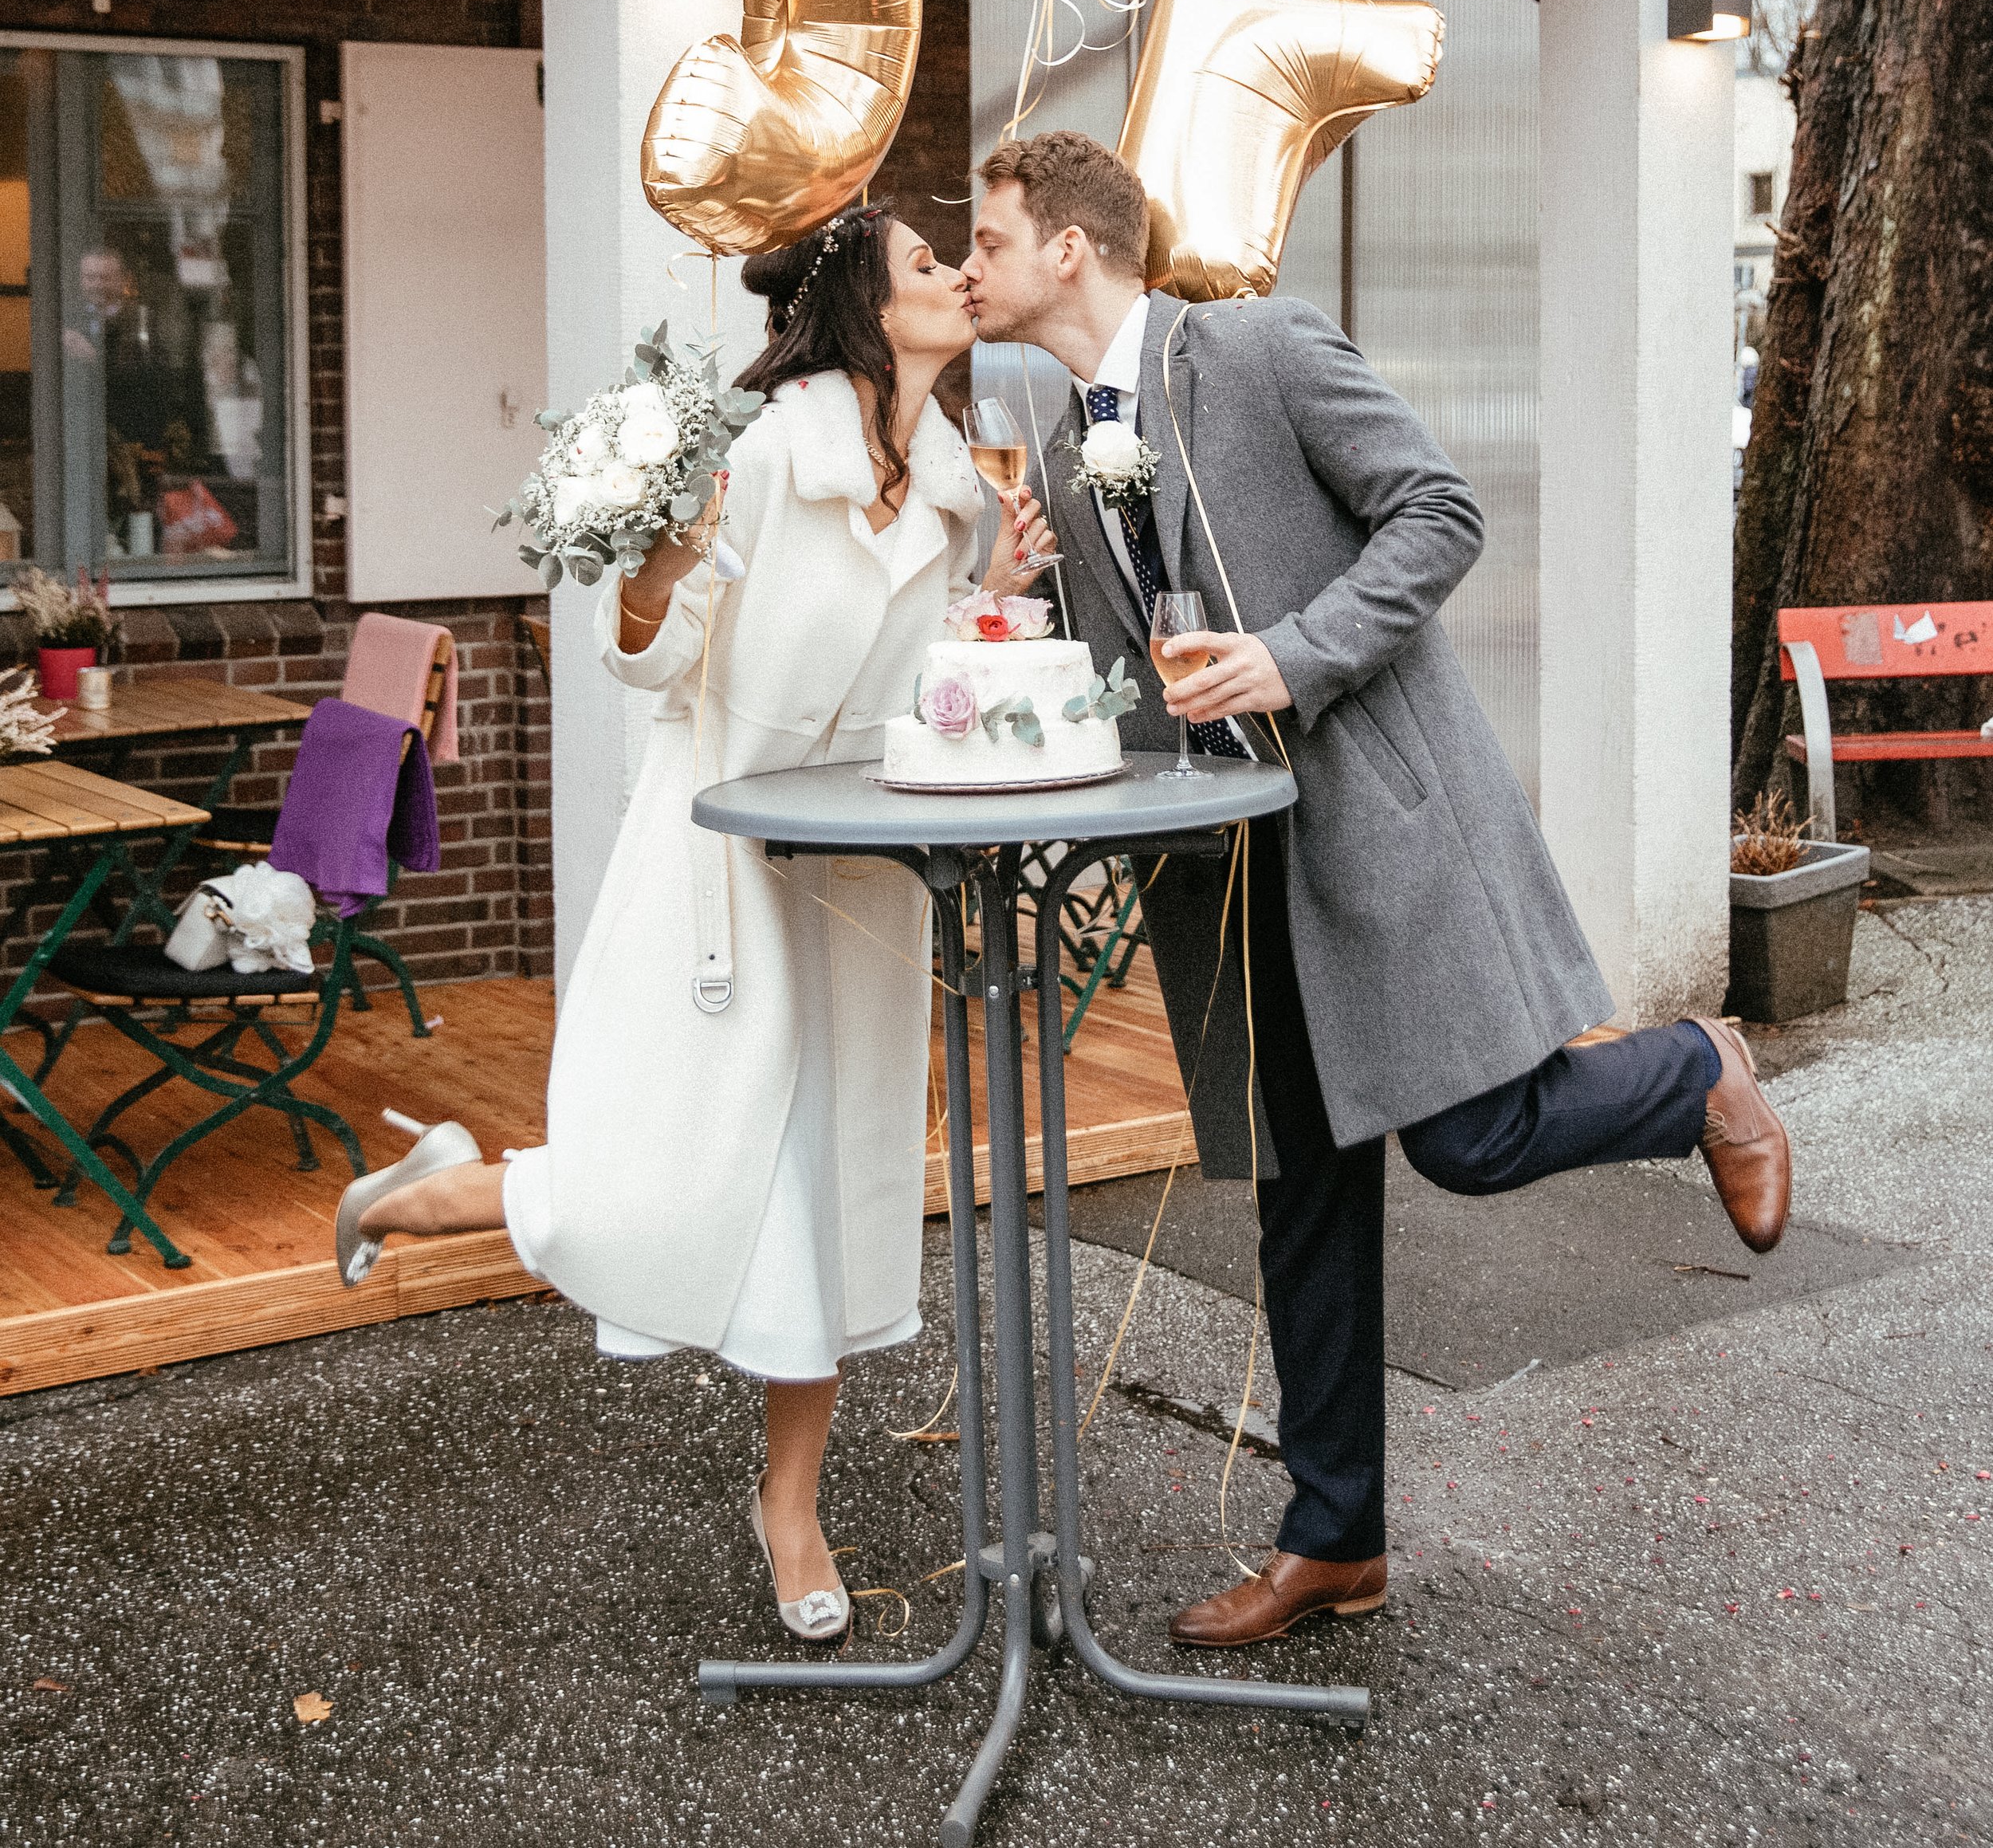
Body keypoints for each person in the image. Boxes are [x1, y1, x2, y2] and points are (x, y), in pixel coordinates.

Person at [961, 128, 1791, 1649]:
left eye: (989, 237)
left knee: (1473, 1138)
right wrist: (1016, 604)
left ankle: (1698, 1070)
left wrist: (1294, 655)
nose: (970, 266)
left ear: (1069, 247)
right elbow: (1123, 671)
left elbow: (1441, 514)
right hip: (1223, 871)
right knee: (1304, 1199)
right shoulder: (1069, 448)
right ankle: (1335, 1540)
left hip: (1375, 819)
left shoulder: (1265, 349)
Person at [331, 206, 1050, 1643]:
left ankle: (792, 1506)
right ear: (866, 307)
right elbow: (646, 662)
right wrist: (658, 567)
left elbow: (925, 687)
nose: (957, 277)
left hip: (859, 884)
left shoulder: (956, 487)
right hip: (717, 860)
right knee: (649, 1188)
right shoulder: (766, 453)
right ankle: (429, 1192)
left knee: (820, 1209)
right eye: (925, 264)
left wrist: (994, 598)